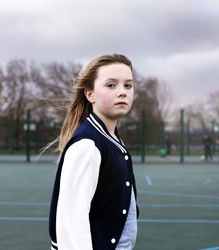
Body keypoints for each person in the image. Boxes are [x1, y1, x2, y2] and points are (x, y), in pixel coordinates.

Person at [49, 54, 139, 250]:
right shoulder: (88, 145)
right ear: (90, 94)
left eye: (128, 85)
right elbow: (71, 224)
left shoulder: (111, 138)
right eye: (111, 85)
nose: (122, 92)